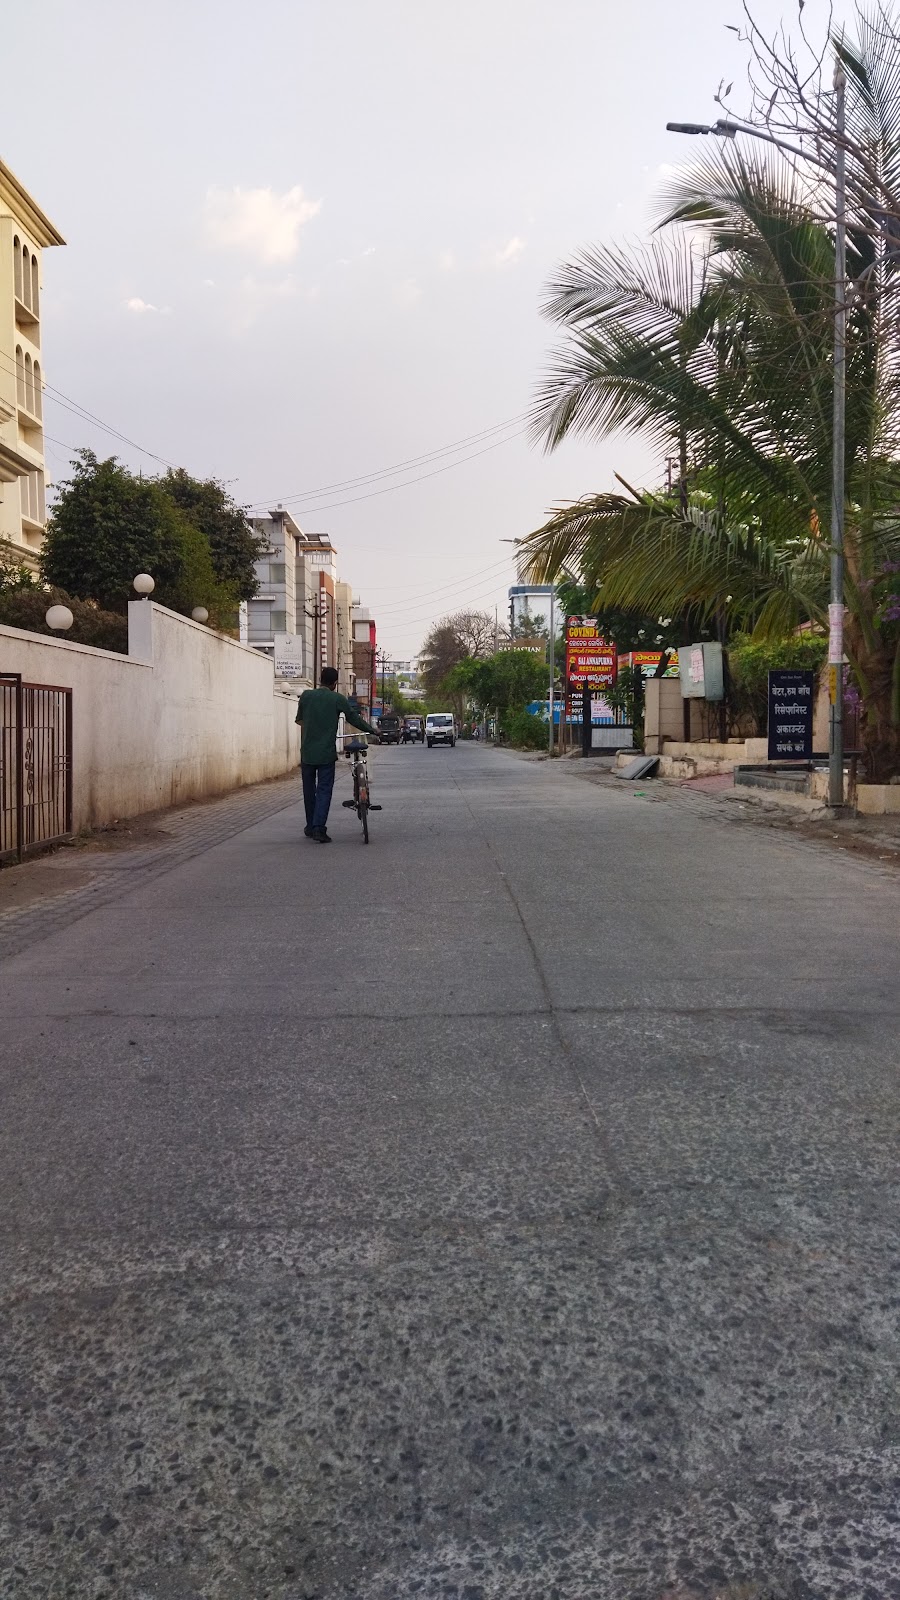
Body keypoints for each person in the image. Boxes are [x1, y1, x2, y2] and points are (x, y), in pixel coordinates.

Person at [295, 668, 378, 843]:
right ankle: (319, 828)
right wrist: (371, 730)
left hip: (307, 753)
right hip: (326, 753)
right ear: (334, 684)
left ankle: (310, 826)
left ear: (320, 679)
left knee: (309, 791)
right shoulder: (337, 699)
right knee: (324, 790)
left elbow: (300, 720)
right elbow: (353, 718)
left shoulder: (306, 696)